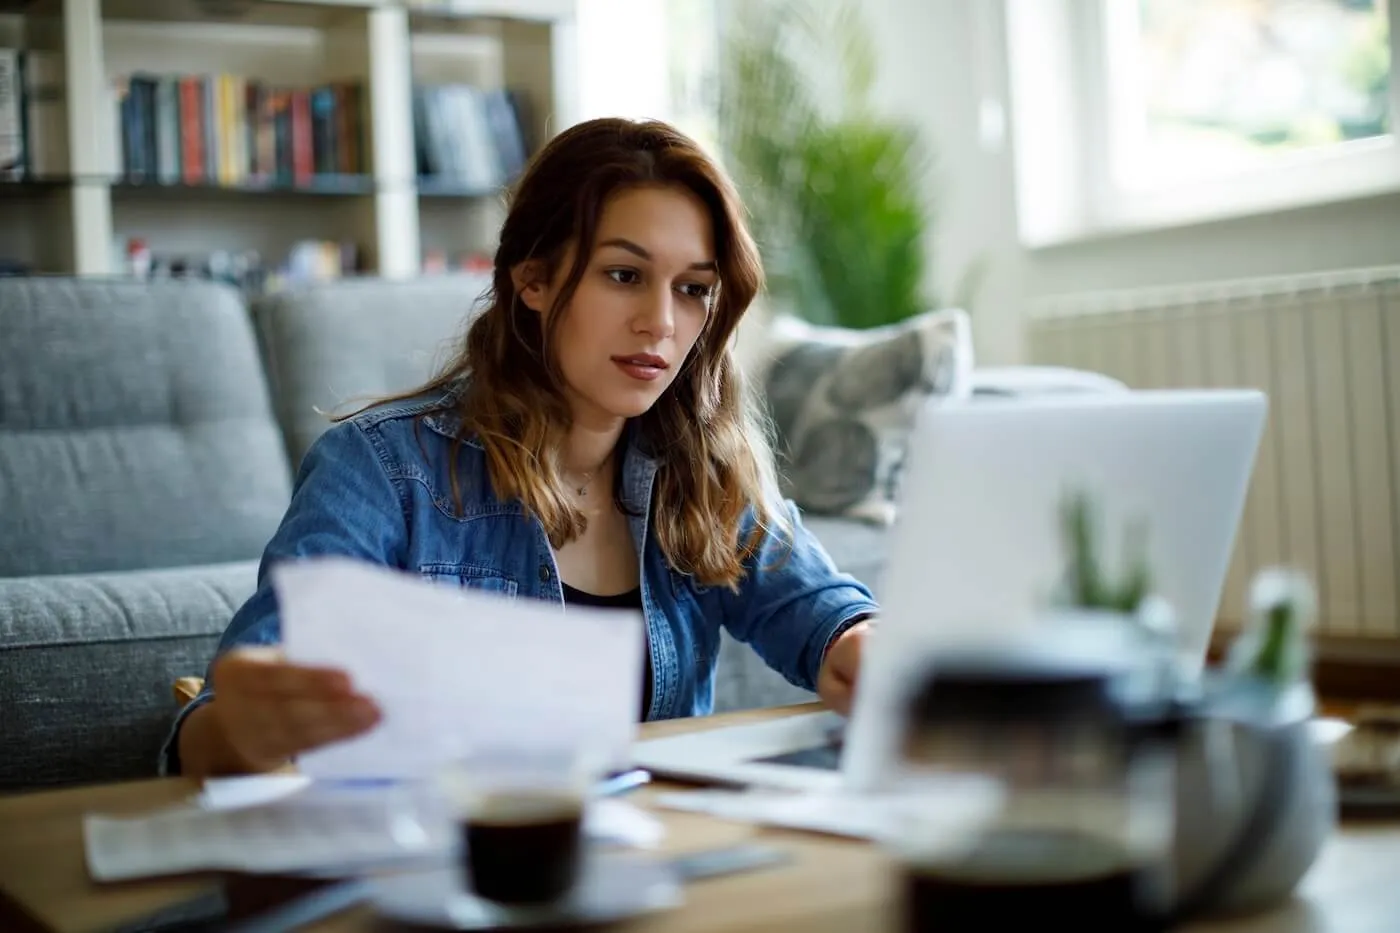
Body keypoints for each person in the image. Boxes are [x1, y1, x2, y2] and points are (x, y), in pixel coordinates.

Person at [164, 117, 880, 780]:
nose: (661, 322)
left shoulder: (700, 468)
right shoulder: (380, 467)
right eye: (624, 275)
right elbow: (216, 726)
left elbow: (824, 612)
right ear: (532, 280)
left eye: (693, 288)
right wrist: (246, 728)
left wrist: (857, 644)